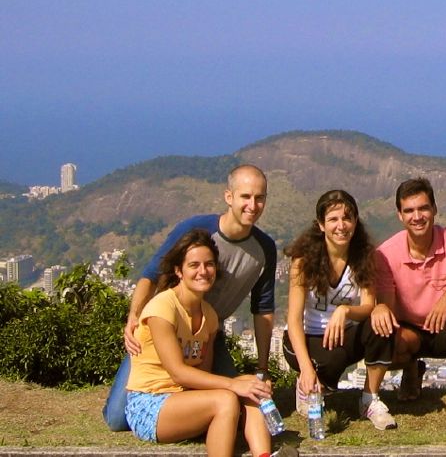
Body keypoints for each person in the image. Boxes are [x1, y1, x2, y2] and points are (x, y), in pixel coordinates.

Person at [104, 164, 277, 431]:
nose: (252, 205)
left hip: (208, 333)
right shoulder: (196, 229)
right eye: (245, 196)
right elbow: (150, 275)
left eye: (259, 197)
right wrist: (134, 316)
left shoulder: (264, 248)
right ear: (228, 197)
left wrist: (262, 368)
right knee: (117, 419)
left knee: (235, 401)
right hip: (166, 329)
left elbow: (262, 309)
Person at [125, 229, 273, 457]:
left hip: (185, 398)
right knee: (224, 399)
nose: (203, 271)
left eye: (209, 264)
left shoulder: (210, 316)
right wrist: (233, 385)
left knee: (254, 387)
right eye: (194, 265)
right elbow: (178, 373)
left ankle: (263, 455)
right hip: (150, 404)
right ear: (179, 271)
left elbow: (203, 373)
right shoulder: (163, 308)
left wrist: (247, 385)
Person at [282, 189, 397, 430]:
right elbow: (293, 320)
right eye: (333, 219)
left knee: (382, 324)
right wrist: (305, 368)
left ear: (355, 222)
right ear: (321, 225)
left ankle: (370, 399)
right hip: (309, 338)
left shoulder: (363, 257)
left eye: (347, 218)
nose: (341, 225)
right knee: (331, 360)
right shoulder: (303, 261)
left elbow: (367, 305)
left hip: (345, 335)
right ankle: (309, 387)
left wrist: (345, 310)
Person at [371, 177, 446, 415]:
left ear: (434, 210)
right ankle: (411, 368)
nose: (417, 216)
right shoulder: (386, 255)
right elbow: (387, 307)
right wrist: (380, 311)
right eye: (409, 210)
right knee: (382, 335)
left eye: (423, 208)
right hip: (410, 333)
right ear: (400, 215)